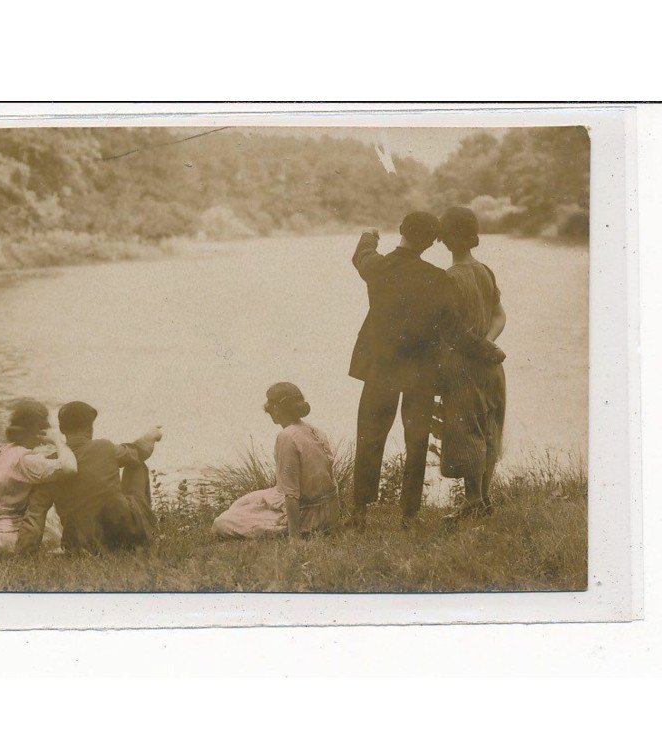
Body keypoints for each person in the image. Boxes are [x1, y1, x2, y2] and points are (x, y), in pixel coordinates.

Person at [349, 211, 503, 529]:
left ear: (401, 229)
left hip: (380, 368)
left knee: (370, 436)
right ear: (432, 242)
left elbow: (361, 255)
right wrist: (488, 350)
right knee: (416, 440)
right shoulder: (437, 278)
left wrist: (370, 233)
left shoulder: (378, 267)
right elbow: (455, 331)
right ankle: (408, 515)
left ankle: (360, 513)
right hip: (420, 371)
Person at [16, 401, 162, 554]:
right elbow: (140, 451)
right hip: (124, 533)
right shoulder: (104, 447)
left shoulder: (52, 464)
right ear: (90, 427)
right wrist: (152, 435)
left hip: (80, 543)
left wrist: (25, 552)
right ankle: (147, 534)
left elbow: (36, 514)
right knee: (136, 464)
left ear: (61, 429)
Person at [437, 207, 507, 520]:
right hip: (492, 364)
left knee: (469, 431)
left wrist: (479, 348)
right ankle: (484, 498)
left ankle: (473, 502)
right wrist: (490, 343)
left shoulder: (450, 278)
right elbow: (499, 315)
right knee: (490, 427)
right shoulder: (485, 270)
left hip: (465, 364)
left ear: (445, 239)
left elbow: (453, 333)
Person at [212, 383, 340, 539]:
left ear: (278, 409)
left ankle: (285, 527)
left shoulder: (286, 437)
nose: (267, 409)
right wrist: (333, 520)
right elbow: (332, 482)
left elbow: (291, 494)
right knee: (242, 503)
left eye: (270, 405)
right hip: (325, 510)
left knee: (222, 522)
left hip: (306, 516)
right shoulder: (315, 431)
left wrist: (295, 538)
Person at [0, 400, 78, 558]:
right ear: (39, 430)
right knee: (52, 532)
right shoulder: (25, 460)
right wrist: (58, 441)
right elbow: (70, 468)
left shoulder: (5, 450)